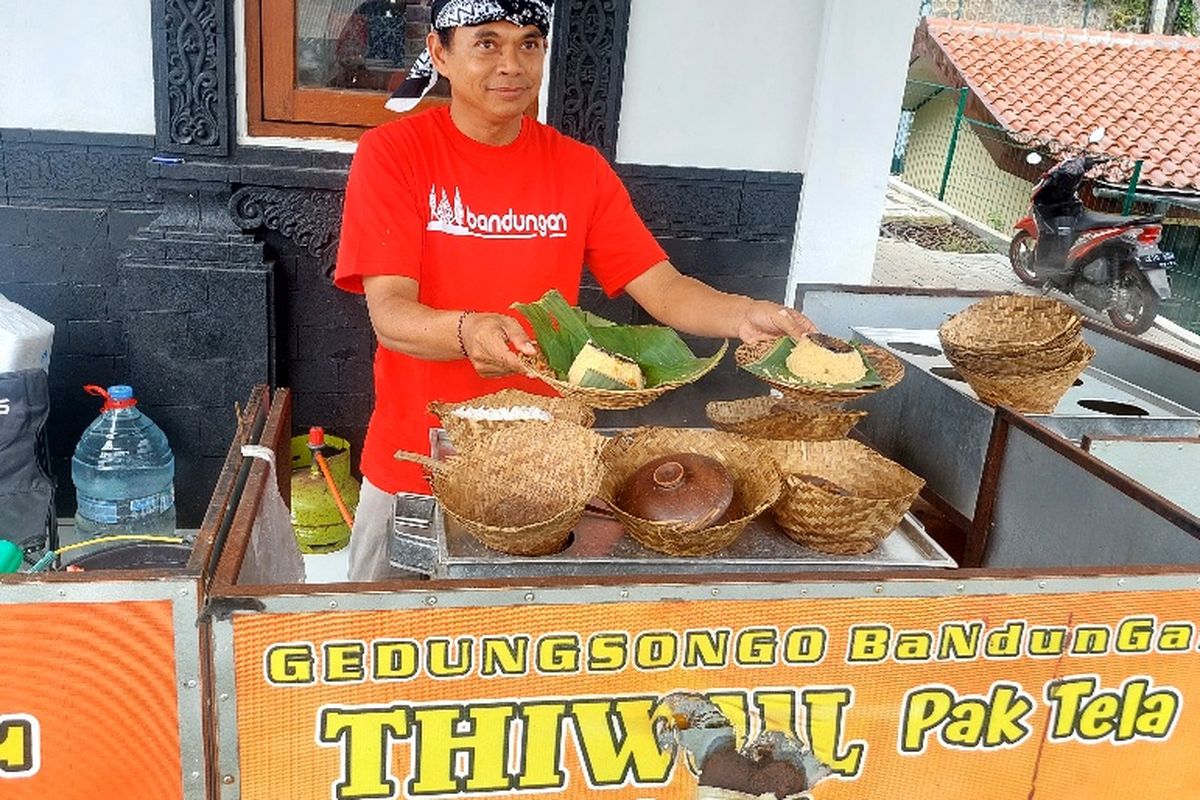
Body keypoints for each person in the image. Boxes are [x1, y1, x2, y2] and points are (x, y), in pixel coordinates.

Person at [334, 0, 817, 581]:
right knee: (384, 648)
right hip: (420, 464)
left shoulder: (577, 168)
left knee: (523, 653)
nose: (512, 64)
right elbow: (390, 314)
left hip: (549, 476)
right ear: (440, 52)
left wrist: (744, 315)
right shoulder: (395, 155)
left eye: (529, 43)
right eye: (487, 43)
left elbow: (661, 287)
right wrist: (470, 330)